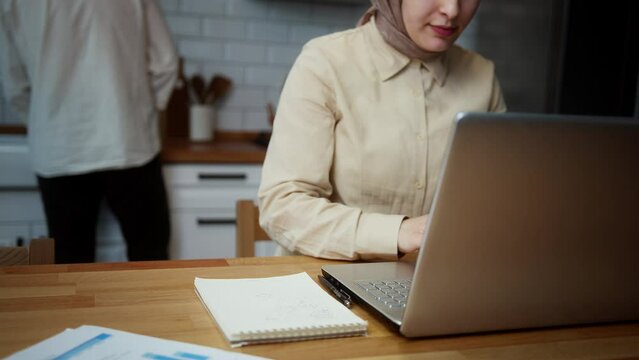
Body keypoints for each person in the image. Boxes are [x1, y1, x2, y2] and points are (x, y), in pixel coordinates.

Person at [258, 0, 506, 260]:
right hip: (320, 283)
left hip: (438, 283)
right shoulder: (324, 63)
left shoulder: (483, 76)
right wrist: (399, 233)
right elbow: (282, 208)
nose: (452, 10)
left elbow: (499, 201)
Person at [0, 0, 178, 263]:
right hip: (128, 139)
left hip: (58, 146)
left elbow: (14, 83)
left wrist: (45, 121)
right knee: (149, 256)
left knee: (70, 264)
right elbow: (165, 63)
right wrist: (142, 114)